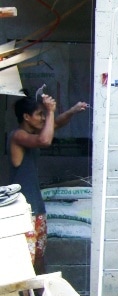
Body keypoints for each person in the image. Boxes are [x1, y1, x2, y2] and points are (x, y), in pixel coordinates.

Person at [8, 89, 88, 274]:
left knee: (39, 257)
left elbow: (56, 123)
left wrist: (73, 110)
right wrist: (50, 111)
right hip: (23, 210)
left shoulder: (33, 132)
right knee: (25, 260)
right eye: (39, 114)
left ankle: (41, 291)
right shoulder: (17, 135)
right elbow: (45, 141)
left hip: (36, 208)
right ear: (26, 117)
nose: (43, 118)